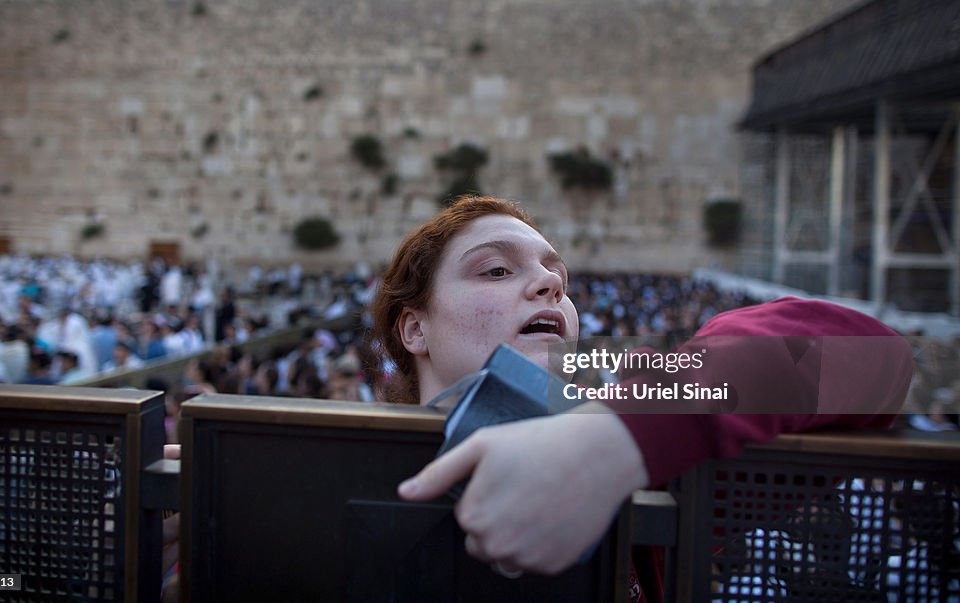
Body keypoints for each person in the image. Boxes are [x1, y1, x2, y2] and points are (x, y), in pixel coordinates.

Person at [371, 196, 912, 596]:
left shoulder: (651, 474)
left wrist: (620, 438)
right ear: (414, 329)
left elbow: (873, 353)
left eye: (557, 274)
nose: (549, 283)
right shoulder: (310, 476)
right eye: (496, 269)